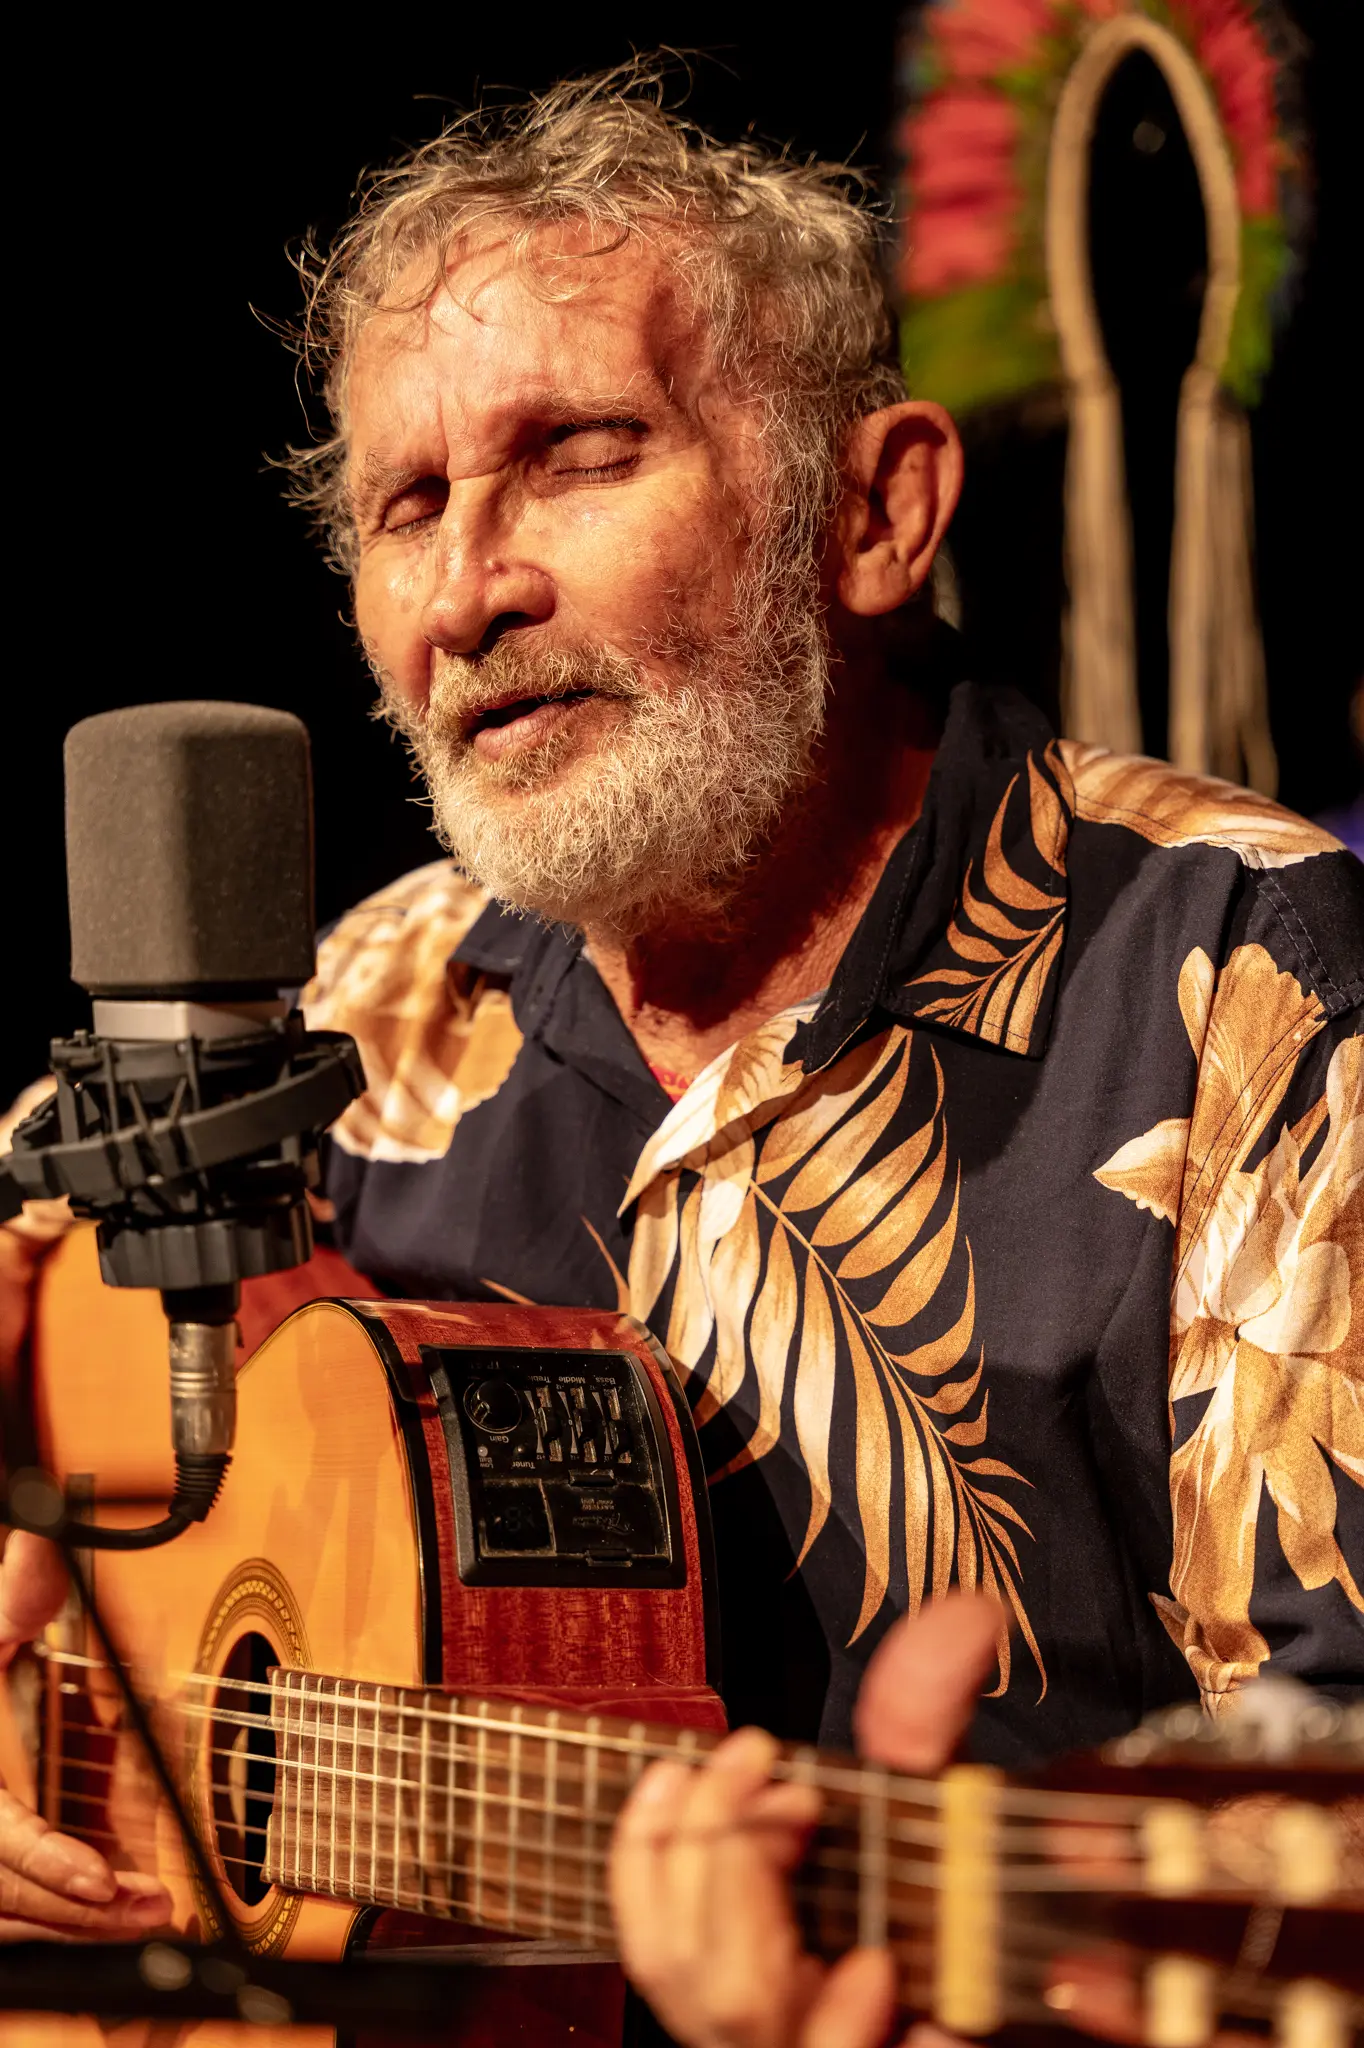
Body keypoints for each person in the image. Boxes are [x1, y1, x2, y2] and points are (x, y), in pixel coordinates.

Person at [0, 64, 1360, 2037]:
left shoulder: (1243, 982)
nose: (468, 590)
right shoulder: (356, 1013)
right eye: (405, 506)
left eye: (576, 454)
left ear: (875, 512)